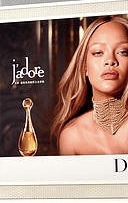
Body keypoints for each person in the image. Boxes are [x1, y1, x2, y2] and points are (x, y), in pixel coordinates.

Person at [52, 15, 128, 155]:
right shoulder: (72, 136)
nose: (110, 61)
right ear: (84, 66)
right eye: (98, 52)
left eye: (123, 52)